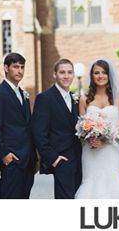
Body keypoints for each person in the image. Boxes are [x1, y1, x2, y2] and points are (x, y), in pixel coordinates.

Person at [75, 59, 119, 199]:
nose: (100, 76)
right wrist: (89, 137)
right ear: (92, 76)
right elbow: (80, 126)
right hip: (91, 152)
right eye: (96, 73)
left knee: (113, 188)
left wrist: (105, 140)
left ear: (109, 75)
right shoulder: (84, 99)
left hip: (112, 151)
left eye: (104, 72)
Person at [0, 52, 36, 198]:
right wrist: (4, 154)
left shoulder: (23, 94)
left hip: (27, 160)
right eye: (15, 67)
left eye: (22, 67)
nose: (19, 70)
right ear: (6, 68)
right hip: (11, 159)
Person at [31, 59, 83, 199]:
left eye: (69, 72)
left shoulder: (75, 99)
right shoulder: (45, 98)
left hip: (79, 159)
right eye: (62, 72)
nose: (66, 76)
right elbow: (38, 132)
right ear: (55, 74)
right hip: (61, 160)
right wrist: (53, 158)